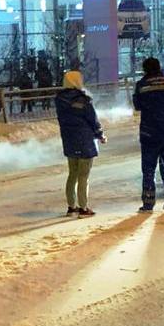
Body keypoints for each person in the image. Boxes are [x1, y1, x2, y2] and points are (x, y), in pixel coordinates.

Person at [54, 70, 105, 218]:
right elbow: (93, 120)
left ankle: (71, 207)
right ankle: (83, 208)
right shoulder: (83, 100)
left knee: (72, 174)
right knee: (84, 175)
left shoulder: (59, 100)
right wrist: (100, 135)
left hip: (69, 139)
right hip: (85, 140)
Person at [132, 57, 164, 211]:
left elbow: (138, 106)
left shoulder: (142, 85)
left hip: (149, 132)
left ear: (145, 69)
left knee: (148, 169)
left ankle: (148, 202)